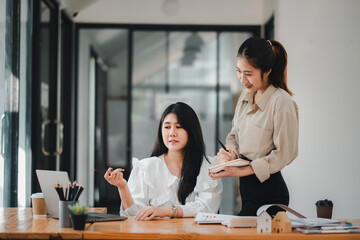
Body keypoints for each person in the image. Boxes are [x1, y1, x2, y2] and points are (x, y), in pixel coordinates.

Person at [209, 37, 299, 216]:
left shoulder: (281, 102)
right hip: (247, 193)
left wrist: (242, 171)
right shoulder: (246, 95)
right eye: (238, 71)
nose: (242, 78)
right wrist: (230, 153)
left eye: (248, 73)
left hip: (270, 193)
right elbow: (234, 135)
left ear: (267, 71)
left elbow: (286, 153)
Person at [105, 102, 222, 220]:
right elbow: (134, 216)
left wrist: (167, 211)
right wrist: (122, 187)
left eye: (179, 127)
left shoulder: (207, 166)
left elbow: (207, 207)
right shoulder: (146, 167)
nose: (172, 133)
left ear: (191, 130)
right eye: (167, 127)